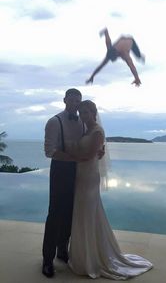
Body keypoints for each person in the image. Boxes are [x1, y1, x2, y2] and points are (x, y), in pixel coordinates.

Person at [67, 100, 153, 280]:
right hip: (80, 176)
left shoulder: (97, 131)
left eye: (86, 112)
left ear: (94, 112)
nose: (83, 116)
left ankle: (94, 258)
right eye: (81, 112)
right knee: (83, 214)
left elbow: (88, 155)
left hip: (89, 177)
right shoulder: (87, 130)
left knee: (88, 214)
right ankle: (84, 256)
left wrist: (66, 155)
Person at [42, 88, 84, 278]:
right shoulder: (54, 121)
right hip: (60, 169)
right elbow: (50, 151)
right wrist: (74, 158)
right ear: (64, 100)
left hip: (79, 170)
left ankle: (62, 250)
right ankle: (47, 259)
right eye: (72, 100)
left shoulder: (83, 122)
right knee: (55, 213)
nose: (75, 103)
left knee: (70, 211)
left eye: (78, 101)